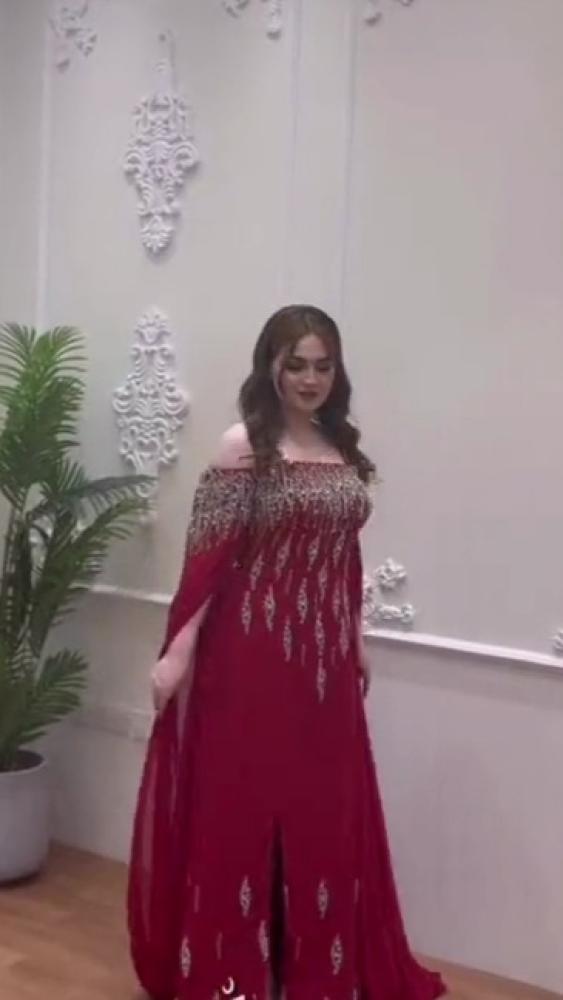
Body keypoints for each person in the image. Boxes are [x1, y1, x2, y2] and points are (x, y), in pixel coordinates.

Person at [127, 305, 446, 1000]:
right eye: (295, 364)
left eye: (322, 365)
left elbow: (344, 559)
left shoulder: (338, 447)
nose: (309, 378)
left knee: (322, 809)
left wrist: (354, 639)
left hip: (324, 668)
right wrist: (177, 653)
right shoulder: (242, 446)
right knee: (242, 805)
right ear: (269, 366)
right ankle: (229, 975)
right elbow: (207, 562)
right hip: (249, 658)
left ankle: (314, 970)